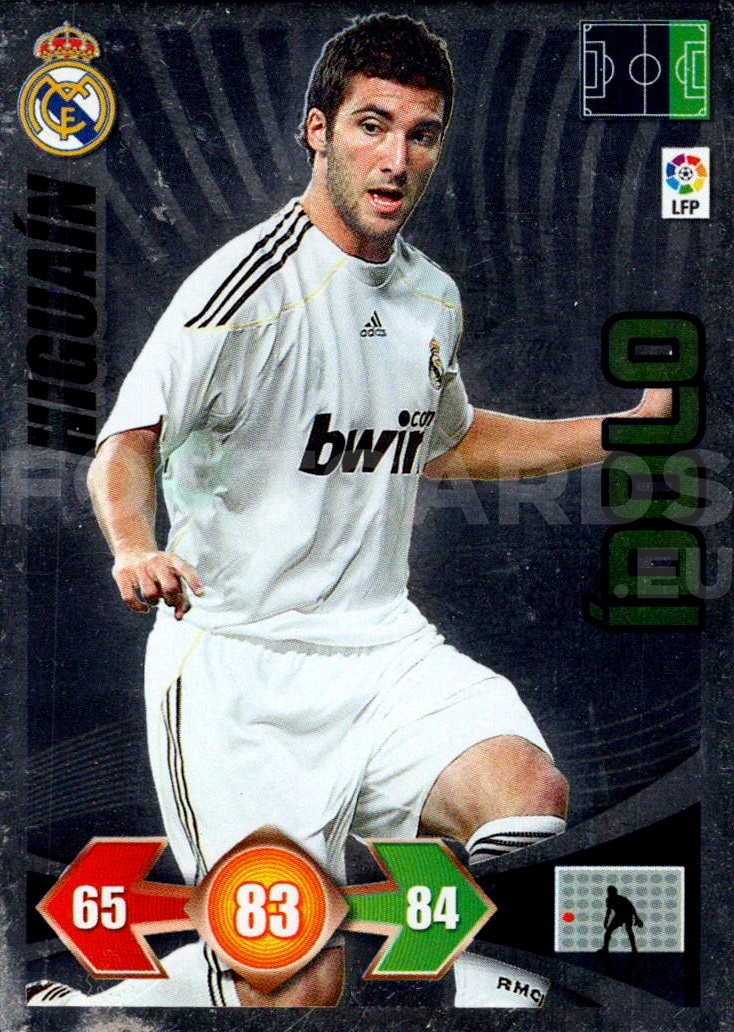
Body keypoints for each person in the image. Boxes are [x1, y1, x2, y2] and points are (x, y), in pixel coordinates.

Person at [30, 13, 669, 1009]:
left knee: (526, 801)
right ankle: (117, 1005)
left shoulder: (429, 297)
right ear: (317, 130)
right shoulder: (245, 289)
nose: (395, 159)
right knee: (300, 988)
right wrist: (133, 544)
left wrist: (619, 432)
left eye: (420, 134)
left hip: (381, 653)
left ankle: (461, 982)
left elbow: (444, 440)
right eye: (372, 125)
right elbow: (128, 442)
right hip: (240, 677)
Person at [601, 886, 643, 954]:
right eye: (609, 892)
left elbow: (632, 908)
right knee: (609, 931)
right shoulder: (609, 900)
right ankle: (605, 948)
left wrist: (637, 918)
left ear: (615, 892)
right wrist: (606, 920)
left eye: (612, 892)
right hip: (619, 916)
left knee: (628, 930)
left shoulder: (622, 899)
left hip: (627, 915)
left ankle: (634, 948)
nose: (610, 894)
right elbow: (609, 911)